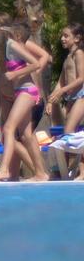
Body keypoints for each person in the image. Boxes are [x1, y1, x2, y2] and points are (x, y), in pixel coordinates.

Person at [0, 17, 48, 181]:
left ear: (17, 34)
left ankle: (4, 169)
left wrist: (15, 74)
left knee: (8, 129)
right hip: (20, 91)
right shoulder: (6, 46)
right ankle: (41, 173)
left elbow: (36, 63)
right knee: (26, 135)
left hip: (27, 90)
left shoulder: (12, 44)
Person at [47, 23, 84, 179]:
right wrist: (51, 100)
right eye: (62, 35)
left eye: (66, 36)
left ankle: (77, 170)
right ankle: (72, 169)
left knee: (69, 132)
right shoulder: (68, 56)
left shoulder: (79, 54)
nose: (62, 38)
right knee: (71, 134)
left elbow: (82, 78)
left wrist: (62, 91)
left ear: (77, 38)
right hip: (71, 98)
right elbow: (61, 82)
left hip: (81, 95)